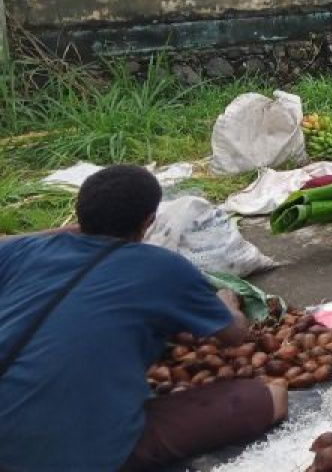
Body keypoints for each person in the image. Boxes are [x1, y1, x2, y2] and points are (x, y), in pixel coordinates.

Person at [0, 165, 287, 472]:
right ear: (149, 221)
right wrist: (226, 302)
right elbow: (236, 335)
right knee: (273, 396)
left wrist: (75, 230)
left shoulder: (23, 251)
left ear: (79, 214)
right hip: (63, 454)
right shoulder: (162, 266)